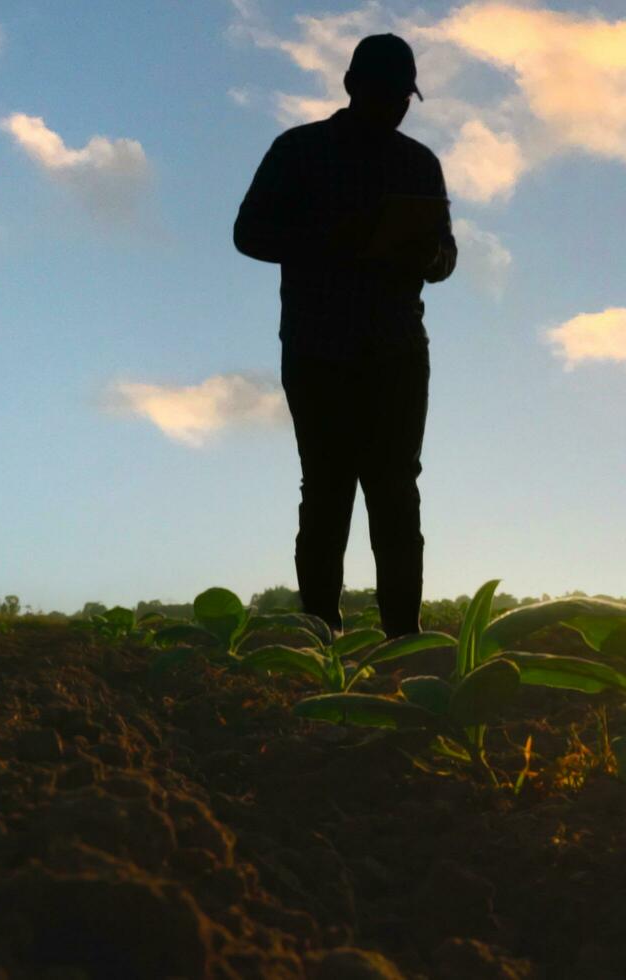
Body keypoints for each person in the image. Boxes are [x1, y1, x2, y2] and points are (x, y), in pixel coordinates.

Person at [233, 33, 458, 638]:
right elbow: (249, 233)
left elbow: (446, 256)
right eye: (384, 94)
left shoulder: (419, 165)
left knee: (394, 495)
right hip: (319, 348)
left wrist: (426, 254)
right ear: (353, 87)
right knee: (328, 490)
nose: (395, 107)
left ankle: (402, 639)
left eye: (402, 98)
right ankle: (319, 632)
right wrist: (336, 237)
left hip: (396, 353)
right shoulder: (300, 151)